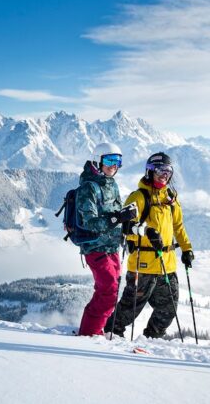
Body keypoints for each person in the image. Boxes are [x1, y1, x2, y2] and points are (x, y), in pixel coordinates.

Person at [105, 152, 194, 339]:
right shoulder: (139, 197)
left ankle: (152, 339)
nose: (165, 175)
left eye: (168, 171)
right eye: (160, 170)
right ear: (150, 172)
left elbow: (178, 226)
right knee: (131, 307)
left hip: (167, 265)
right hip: (143, 265)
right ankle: (111, 332)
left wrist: (187, 249)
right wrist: (146, 232)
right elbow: (126, 227)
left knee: (168, 308)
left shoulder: (170, 198)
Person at [75, 142, 137, 336]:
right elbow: (89, 222)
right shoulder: (89, 188)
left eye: (118, 161)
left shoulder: (112, 184)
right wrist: (117, 218)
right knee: (108, 292)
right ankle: (89, 334)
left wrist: (126, 224)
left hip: (112, 247)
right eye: (109, 160)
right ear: (98, 161)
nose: (114, 165)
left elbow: (114, 214)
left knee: (110, 291)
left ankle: (93, 330)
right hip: (95, 248)